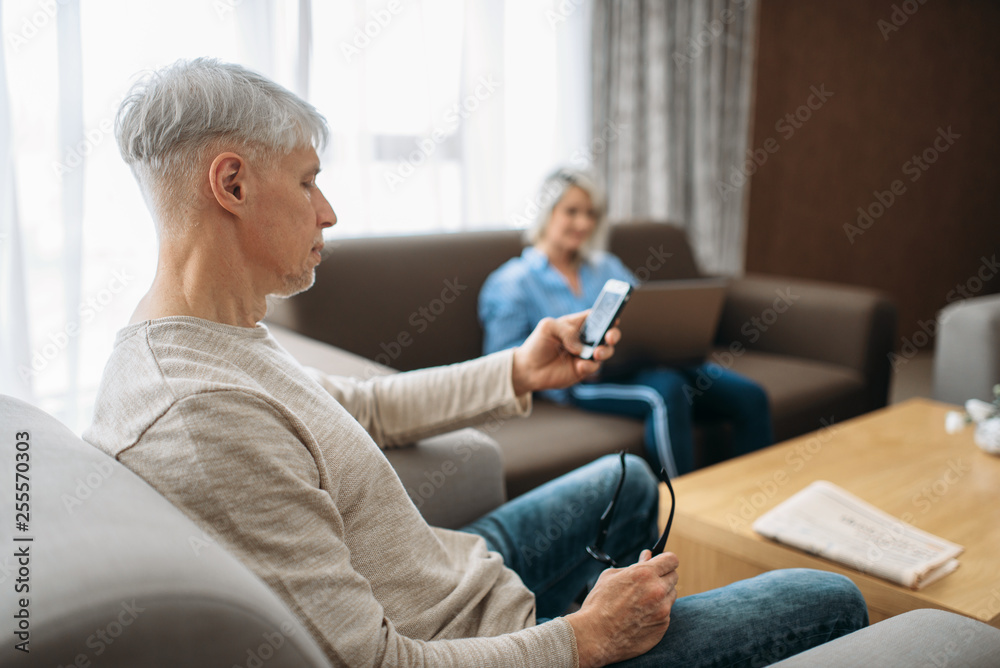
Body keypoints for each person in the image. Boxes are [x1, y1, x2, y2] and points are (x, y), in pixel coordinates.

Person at [85, 58, 866, 667]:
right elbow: (370, 661)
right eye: (308, 180)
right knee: (829, 597)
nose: (328, 210)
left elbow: (368, 408)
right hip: (460, 638)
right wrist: (586, 640)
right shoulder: (200, 413)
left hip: (455, 577)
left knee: (628, 477)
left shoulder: (225, 337)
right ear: (232, 183)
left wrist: (518, 371)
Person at [479, 169, 774, 479]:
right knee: (667, 392)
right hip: (584, 379)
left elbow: (644, 314)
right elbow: (502, 360)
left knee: (751, 396)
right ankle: (681, 514)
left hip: (645, 360)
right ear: (546, 212)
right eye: (572, 212)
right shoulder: (512, 282)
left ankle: (754, 498)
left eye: (591, 214)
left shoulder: (605, 265)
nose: (584, 224)